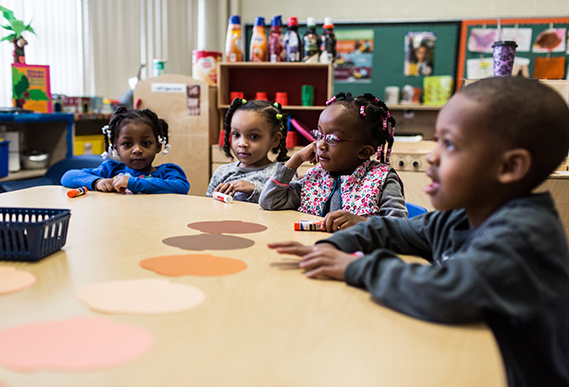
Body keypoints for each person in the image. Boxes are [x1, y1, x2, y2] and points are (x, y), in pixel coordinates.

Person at [269, 77, 569, 387]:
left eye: (449, 144)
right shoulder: (456, 219)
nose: (432, 156)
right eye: (437, 141)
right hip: (465, 360)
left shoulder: (525, 236)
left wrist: (354, 266)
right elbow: (388, 229)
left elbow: (447, 291)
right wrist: (333, 247)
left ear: (509, 167)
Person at [259, 92, 407, 232]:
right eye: (319, 135)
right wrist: (297, 158)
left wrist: (363, 223)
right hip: (313, 249)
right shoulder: (315, 178)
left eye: (331, 139)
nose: (320, 145)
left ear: (363, 152)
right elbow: (270, 201)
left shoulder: (381, 180)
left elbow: (401, 228)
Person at [61, 107, 190, 194]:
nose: (137, 150)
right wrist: (97, 182)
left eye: (146, 143)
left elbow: (181, 187)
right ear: (116, 148)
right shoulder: (111, 170)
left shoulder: (168, 173)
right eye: (127, 144)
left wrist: (133, 183)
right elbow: (67, 177)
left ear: (158, 146)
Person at [206, 98, 292, 203]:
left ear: (275, 139)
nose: (242, 143)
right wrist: (214, 198)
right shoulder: (222, 172)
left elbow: (288, 202)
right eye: (236, 134)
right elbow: (208, 205)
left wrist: (255, 189)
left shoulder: (282, 174)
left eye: (254, 136)